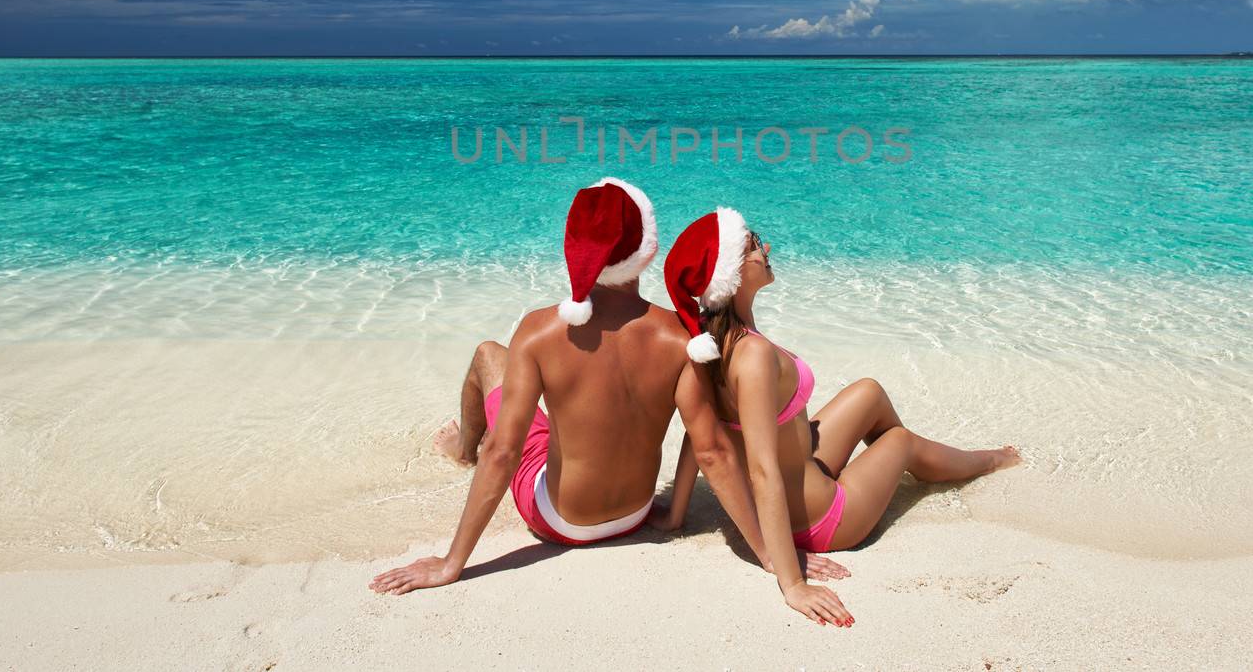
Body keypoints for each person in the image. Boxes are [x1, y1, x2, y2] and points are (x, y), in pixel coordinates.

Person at [369, 180, 849, 615]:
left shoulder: (539, 333)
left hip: (560, 520)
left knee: (487, 356)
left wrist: (452, 563)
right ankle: (480, 446)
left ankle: (460, 449)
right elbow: (712, 451)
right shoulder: (676, 336)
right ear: (648, 248)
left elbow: (504, 452)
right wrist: (767, 552)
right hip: (634, 514)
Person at [656, 207, 1020, 616]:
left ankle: (908, 471)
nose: (766, 247)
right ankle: (986, 461)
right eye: (754, 244)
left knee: (869, 392)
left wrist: (676, 514)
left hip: (807, 472)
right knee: (900, 441)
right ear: (730, 271)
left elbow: (700, 437)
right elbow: (761, 471)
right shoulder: (752, 356)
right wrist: (791, 581)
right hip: (822, 516)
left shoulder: (711, 339)